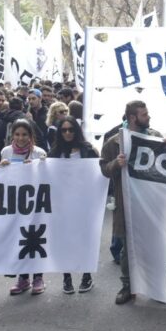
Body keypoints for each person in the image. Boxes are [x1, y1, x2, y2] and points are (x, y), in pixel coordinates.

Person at [100, 100, 162, 305]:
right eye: (145, 114)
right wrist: (115, 164)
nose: (149, 116)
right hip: (126, 201)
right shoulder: (114, 142)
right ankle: (128, 286)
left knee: (153, 245)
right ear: (133, 118)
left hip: (151, 202)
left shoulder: (155, 137)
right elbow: (103, 169)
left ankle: (156, 287)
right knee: (128, 246)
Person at [47, 116, 99, 294]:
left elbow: (99, 172)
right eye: (64, 130)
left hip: (84, 204)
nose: (68, 133)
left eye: (71, 129)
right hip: (62, 206)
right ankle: (66, 277)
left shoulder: (88, 151)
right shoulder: (54, 153)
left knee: (85, 240)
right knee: (64, 241)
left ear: (76, 131)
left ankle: (86, 275)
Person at [0, 119, 47, 295]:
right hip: (15, 204)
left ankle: (38, 278)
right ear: (12, 135)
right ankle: (23, 278)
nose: (20, 138)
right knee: (19, 241)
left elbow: (46, 178)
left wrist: (39, 166)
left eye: (24, 135)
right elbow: (1, 179)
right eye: (17, 134)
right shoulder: (6, 151)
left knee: (36, 240)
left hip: (35, 204)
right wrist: (1, 167)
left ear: (30, 136)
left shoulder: (39, 153)